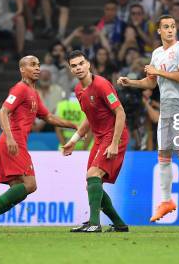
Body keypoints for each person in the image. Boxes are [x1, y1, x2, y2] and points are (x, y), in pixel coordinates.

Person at [117, 15, 179, 222]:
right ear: (158, 31)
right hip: (168, 107)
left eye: (173, 27)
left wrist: (156, 71)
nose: (170, 30)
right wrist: (130, 82)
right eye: (166, 27)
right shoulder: (157, 53)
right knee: (163, 155)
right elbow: (151, 83)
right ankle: (167, 201)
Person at [0, 56, 77, 232]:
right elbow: (4, 112)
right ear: (22, 69)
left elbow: (49, 117)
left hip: (10, 143)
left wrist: (74, 125)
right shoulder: (20, 89)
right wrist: (10, 137)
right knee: (30, 184)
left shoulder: (33, 93)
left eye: (38, 65)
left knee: (17, 190)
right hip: (13, 142)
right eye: (32, 65)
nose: (37, 68)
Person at [64, 51, 129, 232]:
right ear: (71, 70)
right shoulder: (78, 90)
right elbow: (89, 118)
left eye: (81, 63)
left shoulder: (101, 85)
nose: (78, 68)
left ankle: (94, 223)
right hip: (100, 138)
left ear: (88, 64)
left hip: (115, 134)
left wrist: (115, 143)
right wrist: (74, 139)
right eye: (74, 65)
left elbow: (120, 112)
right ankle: (119, 225)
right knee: (92, 182)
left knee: (93, 176)